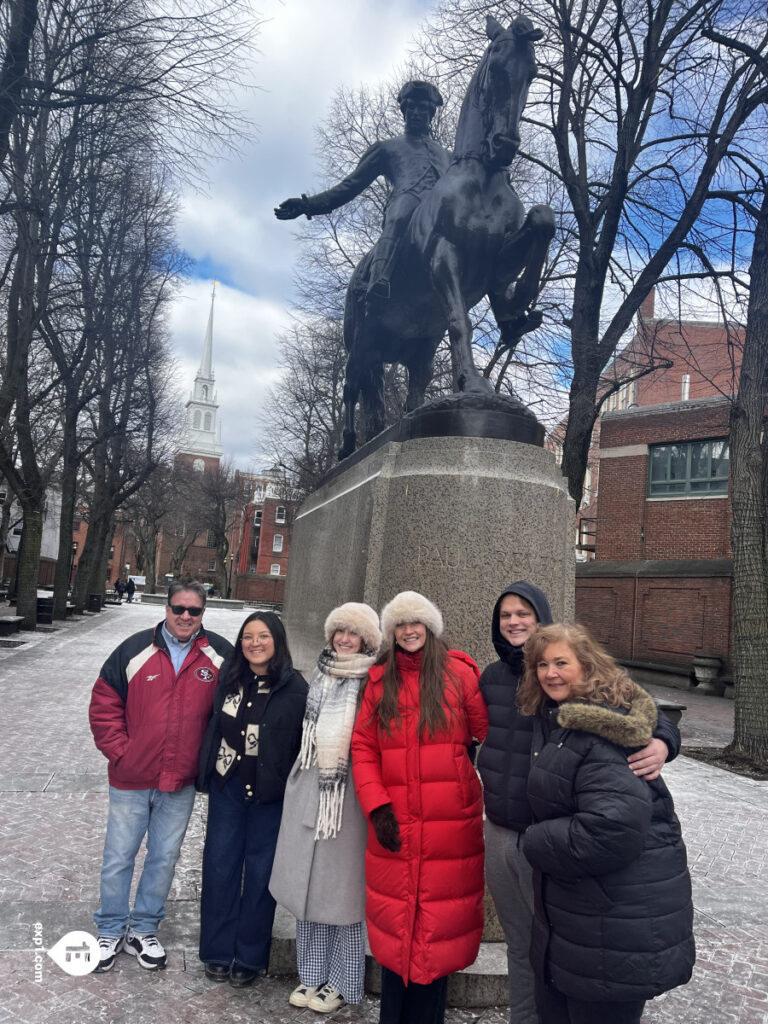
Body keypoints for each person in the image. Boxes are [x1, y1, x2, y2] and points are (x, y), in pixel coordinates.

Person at [476, 582, 680, 1024]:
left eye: (523, 613)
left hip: (555, 839)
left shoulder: (582, 684)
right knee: (520, 942)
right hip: (502, 830)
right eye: (505, 614)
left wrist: (664, 741)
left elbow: (642, 710)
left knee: (559, 945)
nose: (513, 621)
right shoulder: (491, 678)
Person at [518, 623, 696, 1024]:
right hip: (584, 918)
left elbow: (610, 831)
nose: (550, 673)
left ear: (587, 666)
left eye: (562, 662)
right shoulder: (564, 720)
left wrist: (533, 839)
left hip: (611, 927)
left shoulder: (603, 731)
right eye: (543, 664)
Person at [351, 591, 488, 1024]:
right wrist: (377, 806)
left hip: (449, 824)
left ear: (430, 627)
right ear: (392, 632)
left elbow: (489, 731)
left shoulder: (459, 675)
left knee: (436, 930)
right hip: (395, 822)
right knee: (397, 928)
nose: (409, 631)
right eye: (400, 625)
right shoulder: (379, 681)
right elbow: (363, 746)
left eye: (417, 623)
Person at [89, 578, 233, 973]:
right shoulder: (134, 650)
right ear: (166, 609)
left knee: (164, 857)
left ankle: (144, 928)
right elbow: (104, 703)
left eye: (194, 610)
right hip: (131, 778)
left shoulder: (220, 655)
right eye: (179, 609)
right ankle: (112, 927)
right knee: (118, 856)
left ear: (204, 613)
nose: (186, 616)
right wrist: (122, 753)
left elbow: (237, 709)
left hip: (181, 780)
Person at [270, 602, 382, 1014]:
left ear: (367, 639)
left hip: (348, 796)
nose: (344, 639)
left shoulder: (373, 680)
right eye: (339, 631)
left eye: (353, 633)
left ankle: (342, 981)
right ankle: (311, 973)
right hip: (312, 786)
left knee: (343, 894)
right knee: (309, 887)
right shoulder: (320, 673)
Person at [197, 612, 307, 987]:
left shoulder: (294, 688)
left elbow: (298, 744)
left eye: (262, 636)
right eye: (247, 637)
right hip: (227, 787)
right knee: (220, 868)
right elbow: (213, 726)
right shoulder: (230, 678)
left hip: (269, 797)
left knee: (260, 877)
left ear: (277, 640)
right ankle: (216, 950)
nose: (254, 643)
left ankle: (249, 956)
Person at [275, 80, 451, 300]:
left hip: (442, 212)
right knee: (400, 214)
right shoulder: (386, 148)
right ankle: (379, 280)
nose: (416, 113)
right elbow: (350, 186)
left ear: (431, 113)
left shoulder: (448, 156)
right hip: (407, 201)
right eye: (411, 108)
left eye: (422, 108)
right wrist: (307, 204)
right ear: (404, 112)